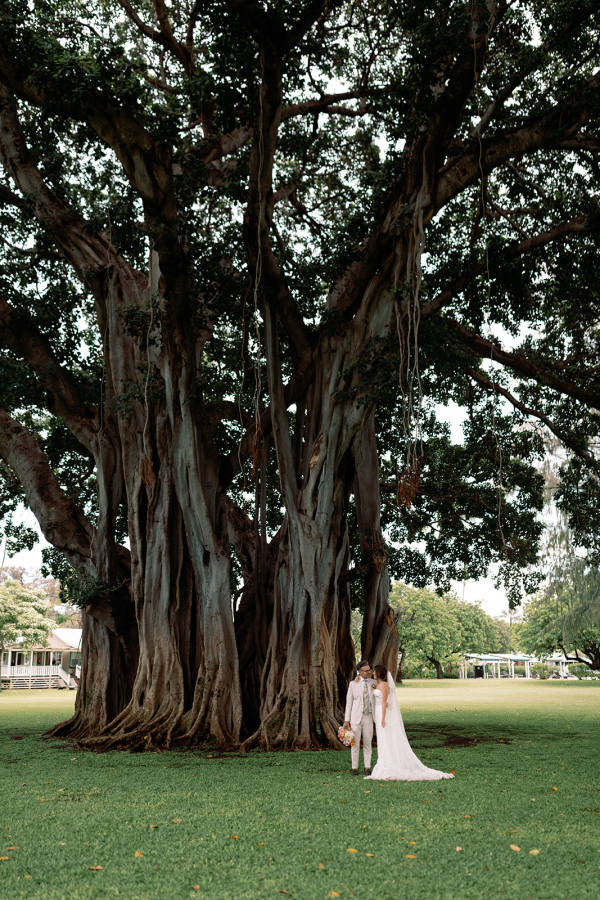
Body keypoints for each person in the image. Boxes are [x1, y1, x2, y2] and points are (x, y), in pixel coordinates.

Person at [364, 664, 455, 782]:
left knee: (387, 738)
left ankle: (389, 764)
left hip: (383, 713)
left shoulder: (385, 685)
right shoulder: (378, 684)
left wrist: (383, 718)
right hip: (378, 712)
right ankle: (384, 761)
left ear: (379, 673)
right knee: (382, 739)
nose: (373, 673)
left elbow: (384, 702)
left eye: (375, 672)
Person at [343, 660, 376, 776]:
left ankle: (367, 767)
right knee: (355, 744)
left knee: (368, 743)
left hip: (369, 716)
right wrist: (347, 720)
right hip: (355, 718)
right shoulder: (353, 684)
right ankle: (354, 767)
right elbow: (349, 703)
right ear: (359, 672)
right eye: (366, 671)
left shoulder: (374, 682)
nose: (369, 672)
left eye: (369, 670)